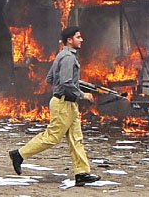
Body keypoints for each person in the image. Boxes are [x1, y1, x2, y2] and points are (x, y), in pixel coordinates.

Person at [8, 26, 101, 187]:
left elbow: (51, 78)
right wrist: (82, 94)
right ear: (70, 40)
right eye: (78, 37)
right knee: (52, 137)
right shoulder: (68, 58)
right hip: (63, 103)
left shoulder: (62, 55)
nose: (82, 39)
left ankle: (82, 173)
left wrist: (77, 84)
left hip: (69, 104)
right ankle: (19, 154)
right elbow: (65, 83)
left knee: (76, 139)